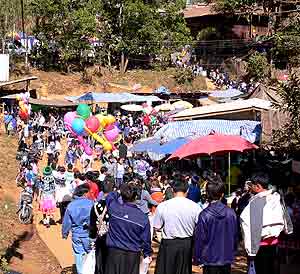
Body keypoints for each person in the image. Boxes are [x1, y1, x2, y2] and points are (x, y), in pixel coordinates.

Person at [240, 172, 293, 274]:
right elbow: (285, 216)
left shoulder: (254, 204)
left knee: (262, 270)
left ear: (258, 186)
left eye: (252, 185)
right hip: (275, 243)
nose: (250, 187)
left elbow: (248, 228)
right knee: (273, 269)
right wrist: (288, 230)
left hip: (260, 246)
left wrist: (251, 252)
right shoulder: (277, 198)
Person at [153, 180, 202, 274]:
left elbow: (157, 227)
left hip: (168, 244)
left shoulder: (163, 206)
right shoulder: (195, 207)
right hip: (186, 244)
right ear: (187, 191)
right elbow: (199, 227)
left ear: (172, 190)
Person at [104, 183, 152, 274]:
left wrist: (119, 191)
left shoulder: (114, 208)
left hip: (114, 253)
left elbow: (110, 196)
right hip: (132, 256)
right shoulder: (143, 217)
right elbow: (146, 240)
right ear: (136, 197)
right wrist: (147, 253)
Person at [194, 175, 238, 274]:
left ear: (208, 194)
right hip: (226, 257)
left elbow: (200, 239)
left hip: (210, 259)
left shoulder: (204, 214)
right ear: (222, 194)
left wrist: (197, 258)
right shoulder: (231, 213)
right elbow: (235, 236)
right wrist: (233, 252)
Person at [62, 184, 94, 274]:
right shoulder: (91, 204)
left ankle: (80, 272)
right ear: (85, 193)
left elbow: (67, 222)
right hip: (89, 234)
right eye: (88, 192)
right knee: (91, 254)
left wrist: (65, 233)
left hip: (76, 234)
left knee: (78, 254)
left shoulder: (71, 205)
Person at [90, 182, 113, 274]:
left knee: (99, 260)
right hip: (112, 238)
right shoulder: (114, 206)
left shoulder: (95, 205)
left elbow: (92, 224)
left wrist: (92, 237)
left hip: (99, 236)